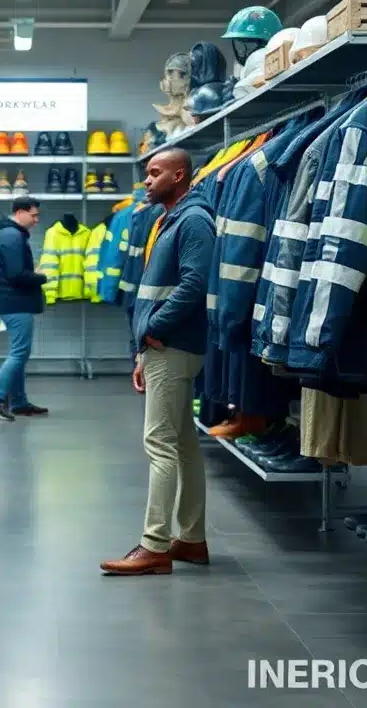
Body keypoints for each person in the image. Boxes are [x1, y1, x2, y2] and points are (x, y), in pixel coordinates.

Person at [101, 148, 215, 576]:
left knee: (159, 443)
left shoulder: (193, 220)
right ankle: (190, 539)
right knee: (183, 444)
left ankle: (154, 545)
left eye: (155, 173)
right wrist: (142, 350)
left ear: (179, 175)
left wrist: (157, 331)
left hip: (174, 345)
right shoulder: (170, 219)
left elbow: (194, 283)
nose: (147, 181)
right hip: (163, 347)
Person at [0, 196, 48, 420]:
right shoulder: (11, 237)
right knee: (19, 352)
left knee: (19, 352)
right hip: (15, 302)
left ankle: (19, 402)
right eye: (33, 215)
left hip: (13, 301)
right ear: (19, 212)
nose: (36, 220)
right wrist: (41, 278)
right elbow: (15, 274)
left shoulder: (11, 234)